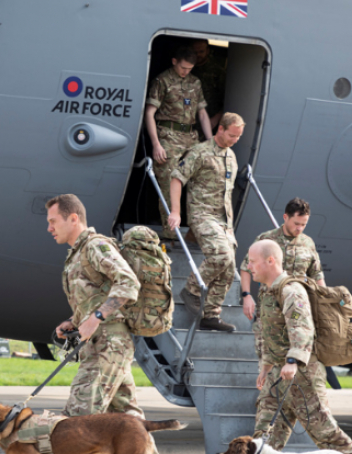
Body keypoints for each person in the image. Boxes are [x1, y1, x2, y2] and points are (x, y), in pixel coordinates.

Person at [246, 240, 352, 453]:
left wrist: (292, 360)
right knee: (263, 439)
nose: (248, 266)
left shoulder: (291, 290)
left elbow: (302, 327)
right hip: (278, 374)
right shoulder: (268, 291)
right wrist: (266, 366)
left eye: (252, 262)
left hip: (302, 373)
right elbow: (268, 332)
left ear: (270, 261)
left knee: (326, 433)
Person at [45, 194, 144, 419]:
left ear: (73, 218)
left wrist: (97, 317)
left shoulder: (95, 246)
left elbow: (128, 282)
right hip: (104, 344)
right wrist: (74, 321)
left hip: (108, 343)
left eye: (53, 221)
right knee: (127, 423)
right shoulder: (77, 254)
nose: (49, 228)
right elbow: (94, 297)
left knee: (79, 419)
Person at [166, 113, 244, 331]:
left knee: (228, 268)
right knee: (222, 255)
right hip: (202, 215)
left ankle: (210, 315)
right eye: (232, 135)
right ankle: (191, 289)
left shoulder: (231, 156)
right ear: (220, 129)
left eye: (238, 136)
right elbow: (176, 178)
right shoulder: (199, 152)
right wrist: (176, 211)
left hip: (224, 221)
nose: (235, 140)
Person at [240, 198, 326, 356]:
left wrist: (324, 302)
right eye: (296, 223)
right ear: (285, 217)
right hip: (270, 310)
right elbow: (246, 266)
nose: (299, 228)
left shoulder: (308, 243)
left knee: (298, 351)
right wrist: (246, 295)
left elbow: (317, 274)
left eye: (304, 224)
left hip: (297, 308)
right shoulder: (266, 240)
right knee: (268, 356)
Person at [145, 46, 213, 239]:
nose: (186, 72)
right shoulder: (162, 81)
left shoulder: (195, 82)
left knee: (202, 181)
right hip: (168, 135)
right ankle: (170, 235)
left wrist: (210, 142)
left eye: (190, 68)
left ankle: (195, 230)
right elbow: (150, 113)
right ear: (174, 61)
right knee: (168, 182)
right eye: (183, 68)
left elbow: (202, 113)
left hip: (191, 137)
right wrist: (156, 144)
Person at [190, 39, 227, 130]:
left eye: (201, 51)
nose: (198, 55)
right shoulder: (186, 69)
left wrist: (217, 118)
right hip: (189, 123)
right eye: (195, 52)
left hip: (211, 122)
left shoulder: (217, 72)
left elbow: (227, 98)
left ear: (207, 51)